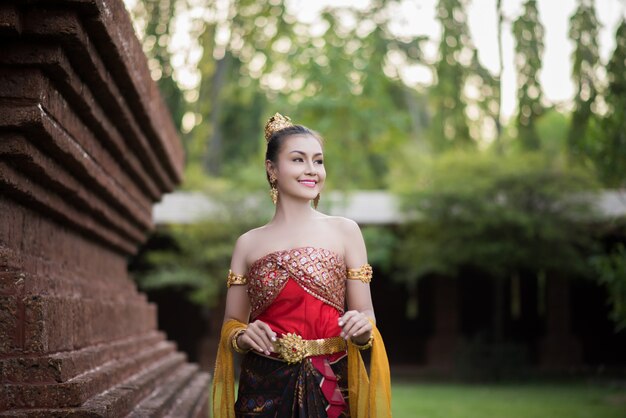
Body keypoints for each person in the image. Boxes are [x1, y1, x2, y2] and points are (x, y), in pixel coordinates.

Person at [212, 113, 392, 418]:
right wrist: (241, 336)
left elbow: (365, 314)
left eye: (318, 161)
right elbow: (232, 321)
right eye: (298, 160)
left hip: (332, 382)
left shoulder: (345, 231)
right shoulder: (247, 244)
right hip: (263, 386)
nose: (312, 170)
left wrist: (364, 329)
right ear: (272, 169)